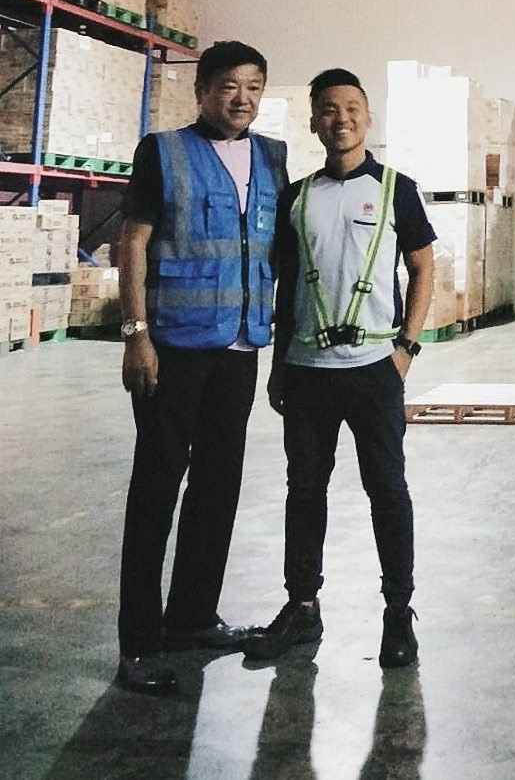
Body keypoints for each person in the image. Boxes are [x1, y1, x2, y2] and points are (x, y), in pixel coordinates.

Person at [244, 68, 436, 669]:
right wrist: (279, 363)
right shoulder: (295, 197)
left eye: (351, 107)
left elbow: (424, 268)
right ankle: (302, 606)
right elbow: (283, 285)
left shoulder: (397, 189)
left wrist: (407, 348)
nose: (340, 118)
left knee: (387, 489)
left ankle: (397, 611)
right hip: (306, 370)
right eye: (328, 109)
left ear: (367, 116)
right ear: (314, 121)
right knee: (304, 490)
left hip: (375, 366)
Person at [116, 40, 287, 696]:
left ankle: (190, 618)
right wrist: (136, 336)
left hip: (240, 348)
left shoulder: (273, 157)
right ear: (203, 91)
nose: (240, 98)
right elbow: (130, 241)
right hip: (173, 350)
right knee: (155, 492)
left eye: (253, 86)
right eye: (227, 86)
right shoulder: (163, 152)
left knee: (219, 486)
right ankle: (138, 644)